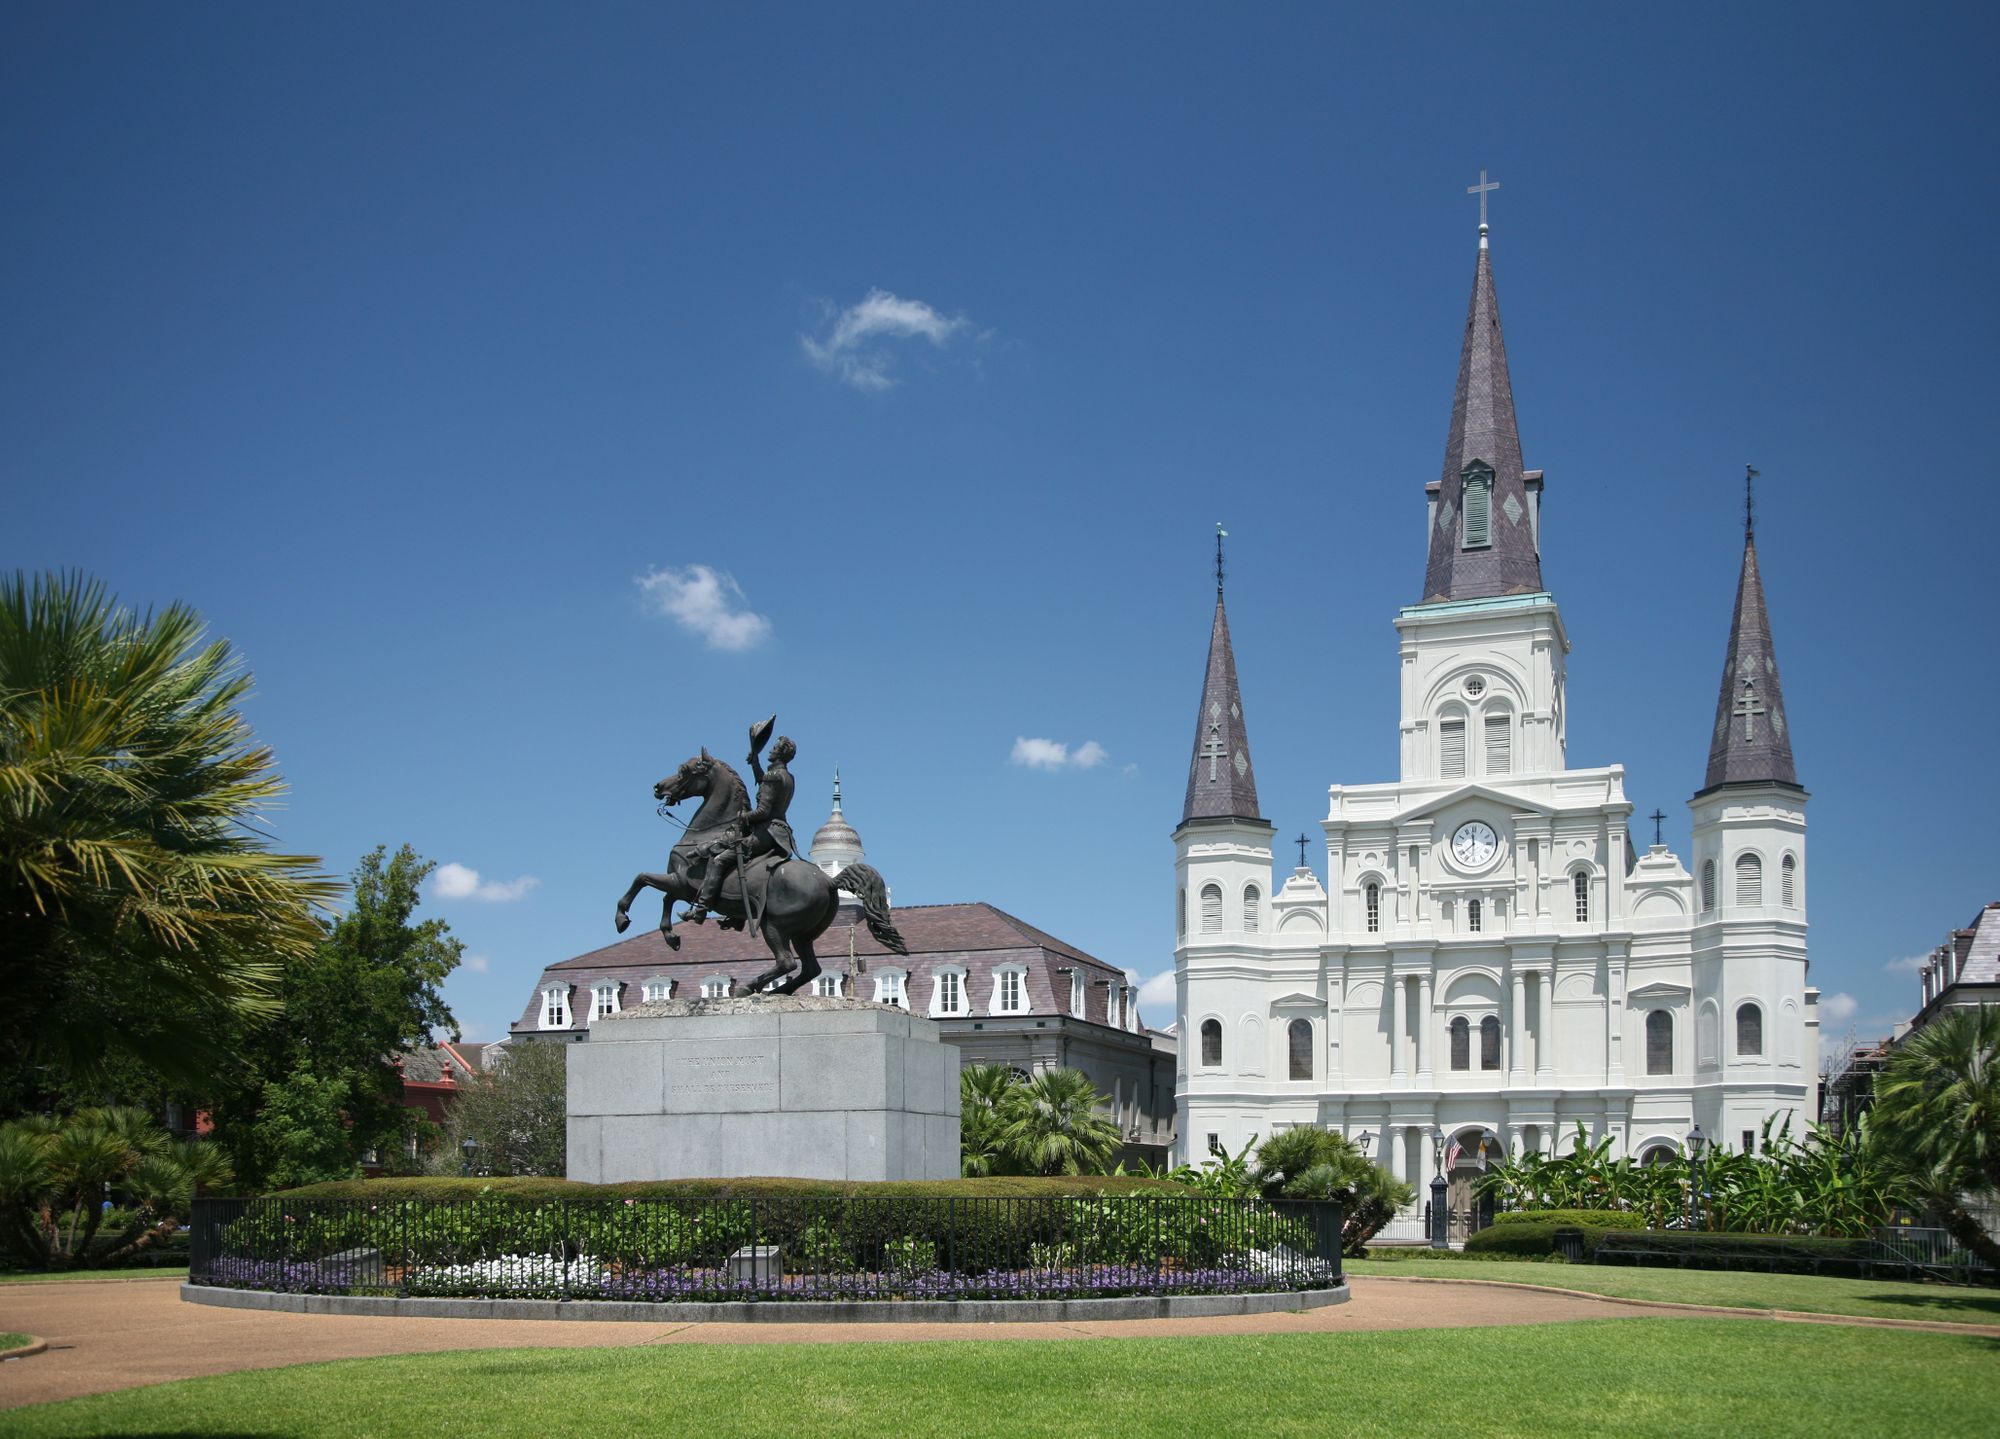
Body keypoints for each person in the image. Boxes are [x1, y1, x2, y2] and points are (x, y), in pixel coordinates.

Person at [687, 734, 796, 925]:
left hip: (765, 832)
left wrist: (742, 816)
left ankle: (702, 909)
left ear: (780, 753)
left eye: (775, 748)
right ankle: (735, 916)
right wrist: (755, 762)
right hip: (781, 832)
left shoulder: (773, 776)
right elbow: (765, 782)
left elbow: (763, 811)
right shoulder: (787, 777)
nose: (770, 750)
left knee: (720, 860)